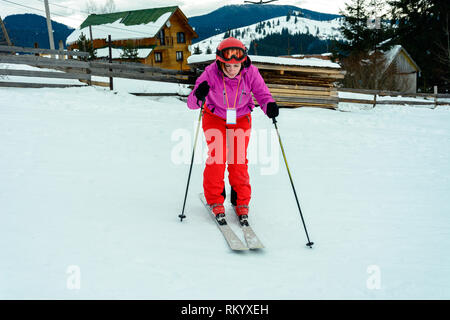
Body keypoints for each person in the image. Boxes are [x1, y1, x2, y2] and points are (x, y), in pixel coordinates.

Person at [187, 37, 279, 226]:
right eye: (226, 65)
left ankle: (241, 202)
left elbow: (262, 93)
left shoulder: (251, 72)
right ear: (220, 62)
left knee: (238, 160)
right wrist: (198, 94)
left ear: (242, 61)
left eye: (235, 65)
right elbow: (191, 104)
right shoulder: (210, 73)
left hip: (241, 118)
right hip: (214, 117)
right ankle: (215, 200)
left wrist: (269, 105)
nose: (231, 69)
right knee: (218, 157)